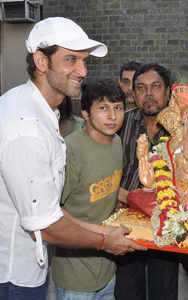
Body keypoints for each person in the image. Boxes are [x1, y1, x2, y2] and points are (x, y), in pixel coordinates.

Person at [0, 17, 138, 300]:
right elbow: (46, 224)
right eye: (71, 60)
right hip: (12, 275)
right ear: (41, 61)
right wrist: (104, 241)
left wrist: (106, 231)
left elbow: (51, 208)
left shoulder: (42, 110)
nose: (82, 70)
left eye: (85, 61)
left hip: (30, 267)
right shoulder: (26, 124)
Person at [52, 80, 145, 299]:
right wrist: (101, 235)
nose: (113, 116)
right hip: (75, 274)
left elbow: (111, 187)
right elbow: (53, 210)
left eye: (118, 108)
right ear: (85, 113)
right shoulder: (71, 150)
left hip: (107, 269)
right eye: (103, 108)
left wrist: (143, 201)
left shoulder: (116, 143)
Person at [115, 63, 179, 300]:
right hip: (126, 219)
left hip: (166, 222)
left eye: (155, 87)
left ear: (168, 92)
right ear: (133, 92)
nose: (148, 94)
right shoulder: (121, 122)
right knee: (127, 288)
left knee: (164, 287)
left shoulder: (183, 128)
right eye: (141, 88)